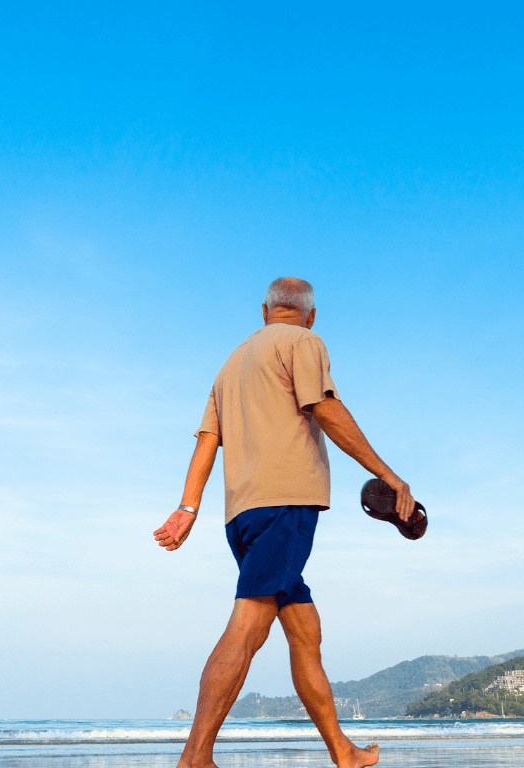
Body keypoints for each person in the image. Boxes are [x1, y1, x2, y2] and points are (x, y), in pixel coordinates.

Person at [154, 276, 420, 768]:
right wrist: (387, 474)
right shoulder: (304, 341)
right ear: (311, 314)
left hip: (242, 515)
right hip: (286, 507)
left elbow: (207, 442)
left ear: (264, 311)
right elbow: (324, 407)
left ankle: (343, 751)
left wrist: (186, 508)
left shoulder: (230, 365)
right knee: (248, 627)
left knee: (304, 631)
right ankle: (195, 757)